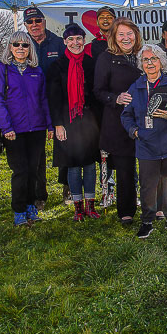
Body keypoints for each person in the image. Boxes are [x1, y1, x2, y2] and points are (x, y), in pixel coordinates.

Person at [121, 44, 167, 238]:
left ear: (161, 62)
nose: (150, 63)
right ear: (141, 64)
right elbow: (126, 115)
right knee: (147, 184)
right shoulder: (135, 87)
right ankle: (147, 221)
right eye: (145, 60)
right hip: (146, 144)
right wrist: (134, 131)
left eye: (154, 59)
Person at [0, 31, 53, 226]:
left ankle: (31, 207)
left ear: (30, 49)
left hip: (36, 128)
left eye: (25, 45)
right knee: (20, 171)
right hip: (14, 130)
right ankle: (18, 210)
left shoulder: (37, 71)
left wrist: (49, 125)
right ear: (10, 47)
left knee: (34, 170)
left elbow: (43, 100)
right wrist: (6, 126)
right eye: (16, 44)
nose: (20, 48)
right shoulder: (2, 70)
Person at [47, 24, 102, 221]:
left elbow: (96, 95)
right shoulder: (57, 66)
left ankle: (90, 205)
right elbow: (53, 98)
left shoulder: (91, 63)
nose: (75, 43)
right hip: (67, 121)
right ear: (64, 42)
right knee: (72, 165)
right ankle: (77, 207)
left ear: (84, 41)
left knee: (88, 165)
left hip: (88, 121)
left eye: (78, 39)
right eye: (71, 39)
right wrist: (58, 124)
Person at [94, 17, 143, 224]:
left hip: (145, 121)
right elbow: (98, 90)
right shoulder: (106, 58)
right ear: (113, 37)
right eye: (121, 34)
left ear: (136, 35)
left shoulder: (143, 56)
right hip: (119, 123)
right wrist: (115, 98)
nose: (126, 38)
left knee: (151, 166)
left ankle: (155, 207)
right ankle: (127, 212)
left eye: (129, 33)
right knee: (125, 169)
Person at [23, 6, 66, 208]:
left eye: (37, 21)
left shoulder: (58, 43)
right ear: (25, 25)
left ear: (44, 22)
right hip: (33, 106)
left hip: (58, 102)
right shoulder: (21, 45)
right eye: (30, 22)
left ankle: (67, 187)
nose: (34, 25)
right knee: (36, 153)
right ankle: (40, 194)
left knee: (65, 146)